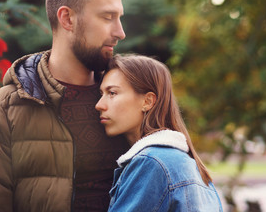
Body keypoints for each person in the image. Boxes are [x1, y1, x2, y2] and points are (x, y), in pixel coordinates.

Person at [0, 0, 129, 211]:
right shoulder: (6, 109)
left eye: (119, 18)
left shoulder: (131, 98)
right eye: (107, 17)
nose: (120, 32)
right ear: (67, 19)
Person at [95, 54, 223, 212]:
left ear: (147, 101)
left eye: (112, 93)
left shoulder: (151, 163)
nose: (99, 105)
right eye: (101, 94)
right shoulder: (185, 162)